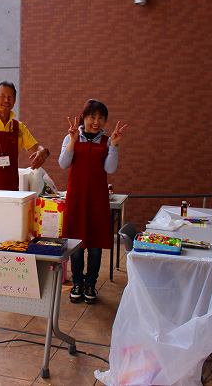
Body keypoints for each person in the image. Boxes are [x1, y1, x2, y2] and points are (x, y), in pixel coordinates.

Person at [58, 99, 128, 304]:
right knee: (77, 244)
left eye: (101, 118)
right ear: (84, 117)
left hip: (98, 200)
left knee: (96, 246)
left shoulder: (107, 141)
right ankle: (77, 283)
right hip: (77, 199)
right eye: (92, 117)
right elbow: (63, 163)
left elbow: (110, 169)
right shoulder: (70, 136)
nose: (96, 122)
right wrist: (71, 141)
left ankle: (91, 284)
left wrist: (114, 146)